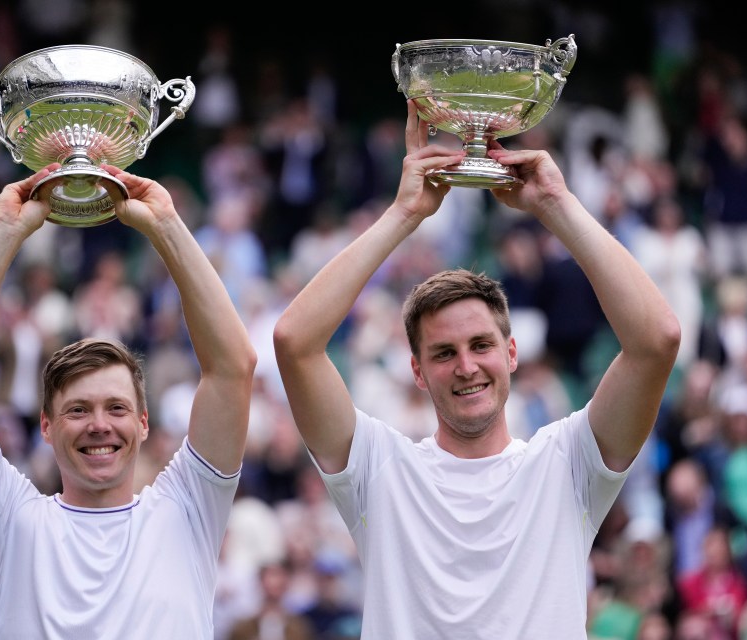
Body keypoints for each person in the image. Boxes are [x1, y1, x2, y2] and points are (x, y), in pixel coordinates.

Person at [272, 101, 681, 639]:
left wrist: (556, 203)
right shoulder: (380, 469)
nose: (467, 366)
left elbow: (657, 340)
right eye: (443, 353)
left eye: (481, 345)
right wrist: (404, 215)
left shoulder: (566, 464)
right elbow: (294, 342)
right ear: (418, 373)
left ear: (511, 353)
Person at [0, 163, 257, 638]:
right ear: (46, 427)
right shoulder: (7, 520)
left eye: (116, 408)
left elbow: (232, 369)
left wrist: (166, 227)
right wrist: (5, 232)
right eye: (78, 410)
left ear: (143, 423)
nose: (99, 424)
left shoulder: (187, 509)